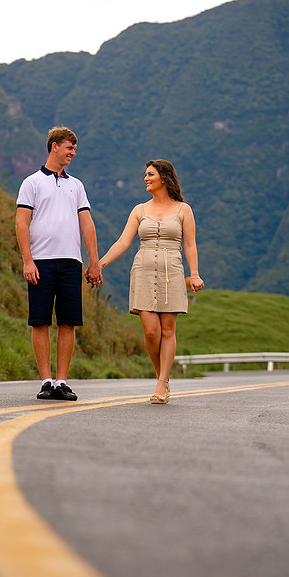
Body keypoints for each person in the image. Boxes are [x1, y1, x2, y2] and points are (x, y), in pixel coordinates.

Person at [91, 159, 204, 403]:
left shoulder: (184, 210)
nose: (146, 178)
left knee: (168, 329)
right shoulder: (139, 210)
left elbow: (190, 244)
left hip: (172, 270)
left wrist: (194, 274)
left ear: (164, 177)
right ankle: (161, 374)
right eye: (145, 174)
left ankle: (162, 383)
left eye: (150, 174)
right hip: (143, 270)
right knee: (151, 332)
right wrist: (99, 264)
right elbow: (123, 242)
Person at [16, 126, 103, 401]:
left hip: (70, 262)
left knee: (68, 322)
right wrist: (27, 261)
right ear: (54, 146)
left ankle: (62, 382)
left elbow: (86, 223)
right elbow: (21, 222)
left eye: (74, 149)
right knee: (40, 321)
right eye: (69, 148)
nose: (73, 153)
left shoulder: (76, 185)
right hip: (40, 261)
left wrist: (94, 262)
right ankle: (46, 381)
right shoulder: (31, 182)